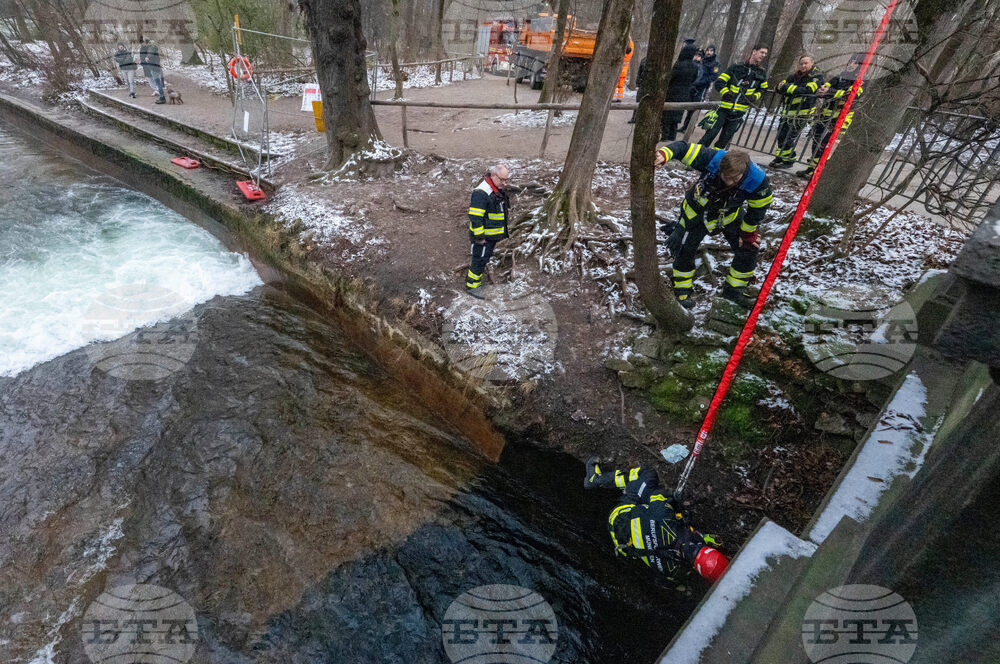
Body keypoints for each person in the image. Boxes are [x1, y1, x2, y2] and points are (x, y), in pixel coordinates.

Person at [655, 140, 773, 309]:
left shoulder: (758, 181)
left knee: (749, 248)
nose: (729, 182)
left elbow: (758, 209)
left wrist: (747, 234)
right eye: (726, 177)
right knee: (684, 249)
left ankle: (734, 290)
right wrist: (664, 154)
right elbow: (683, 148)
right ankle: (682, 290)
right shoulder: (712, 158)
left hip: (729, 215)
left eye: (735, 179)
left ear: (744, 173)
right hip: (695, 213)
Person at [584, 458, 729, 584]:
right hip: (623, 545)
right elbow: (661, 579)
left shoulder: (665, 518)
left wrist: (672, 497)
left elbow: (656, 497)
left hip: (619, 516)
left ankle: (596, 480)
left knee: (648, 474)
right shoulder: (677, 573)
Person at [798, 54, 865, 178]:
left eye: (855, 63)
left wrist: (830, 92)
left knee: (826, 144)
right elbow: (827, 86)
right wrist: (824, 90)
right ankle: (812, 168)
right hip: (826, 114)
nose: (851, 64)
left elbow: (850, 95)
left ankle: (821, 172)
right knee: (817, 140)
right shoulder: (840, 75)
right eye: (851, 61)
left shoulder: (860, 80)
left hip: (841, 118)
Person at [699, 45, 769, 150]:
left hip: (739, 113)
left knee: (724, 140)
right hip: (724, 109)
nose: (763, 55)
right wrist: (725, 92)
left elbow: (763, 89)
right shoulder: (736, 67)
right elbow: (719, 82)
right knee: (710, 134)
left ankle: (714, 160)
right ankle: (695, 156)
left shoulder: (761, 73)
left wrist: (755, 96)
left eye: (765, 54)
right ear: (754, 51)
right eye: (762, 52)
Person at [769, 54, 824, 169]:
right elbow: (778, 87)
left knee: (789, 137)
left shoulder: (816, 76)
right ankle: (780, 157)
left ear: (812, 63)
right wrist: (786, 88)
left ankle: (789, 160)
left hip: (802, 114)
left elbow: (809, 90)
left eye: (806, 63)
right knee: (781, 135)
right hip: (788, 112)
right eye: (801, 63)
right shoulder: (794, 76)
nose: (803, 65)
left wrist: (788, 88)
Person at [465, 163, 511, 298]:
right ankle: (472, 287)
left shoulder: (495, 190)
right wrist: (480, 237)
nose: (504, 183)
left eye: (506, 180)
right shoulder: (481, 192)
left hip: (490, 237)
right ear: (493, 175)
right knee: (479, 260)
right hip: (483, 238)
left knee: (483, 259)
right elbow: (475, 217)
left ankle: (475, 282)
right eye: (501, 179)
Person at [662, 42, 701, 142]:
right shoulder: (694, 67)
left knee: (667, 116)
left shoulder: (679, 65)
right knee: (676, 118)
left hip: (673, 92)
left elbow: (671, 78)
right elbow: (694, 79)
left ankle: (664, 137)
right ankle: (672, 139)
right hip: (685, 94)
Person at [682, 44, 720, 131]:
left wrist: (702, 81)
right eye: (708, 50)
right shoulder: (703, 60)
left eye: (711, 51)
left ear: (714, 52)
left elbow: (714, 76)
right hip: (694, 85)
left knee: (695, 108)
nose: (709, 52)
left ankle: (689, 128)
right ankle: (685, 126)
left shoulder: (715, 63)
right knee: (689, 106)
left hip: (702, 88)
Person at [140, 38, 166, 104]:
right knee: (158, 82)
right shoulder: (150, 47)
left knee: (158, 83)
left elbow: (151, 53)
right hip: (153, 68)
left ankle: (162, 98)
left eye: (143, 43)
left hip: (155, 68)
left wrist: (147, 57)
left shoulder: (152, 47)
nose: (143, 44)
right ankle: (161, 97)